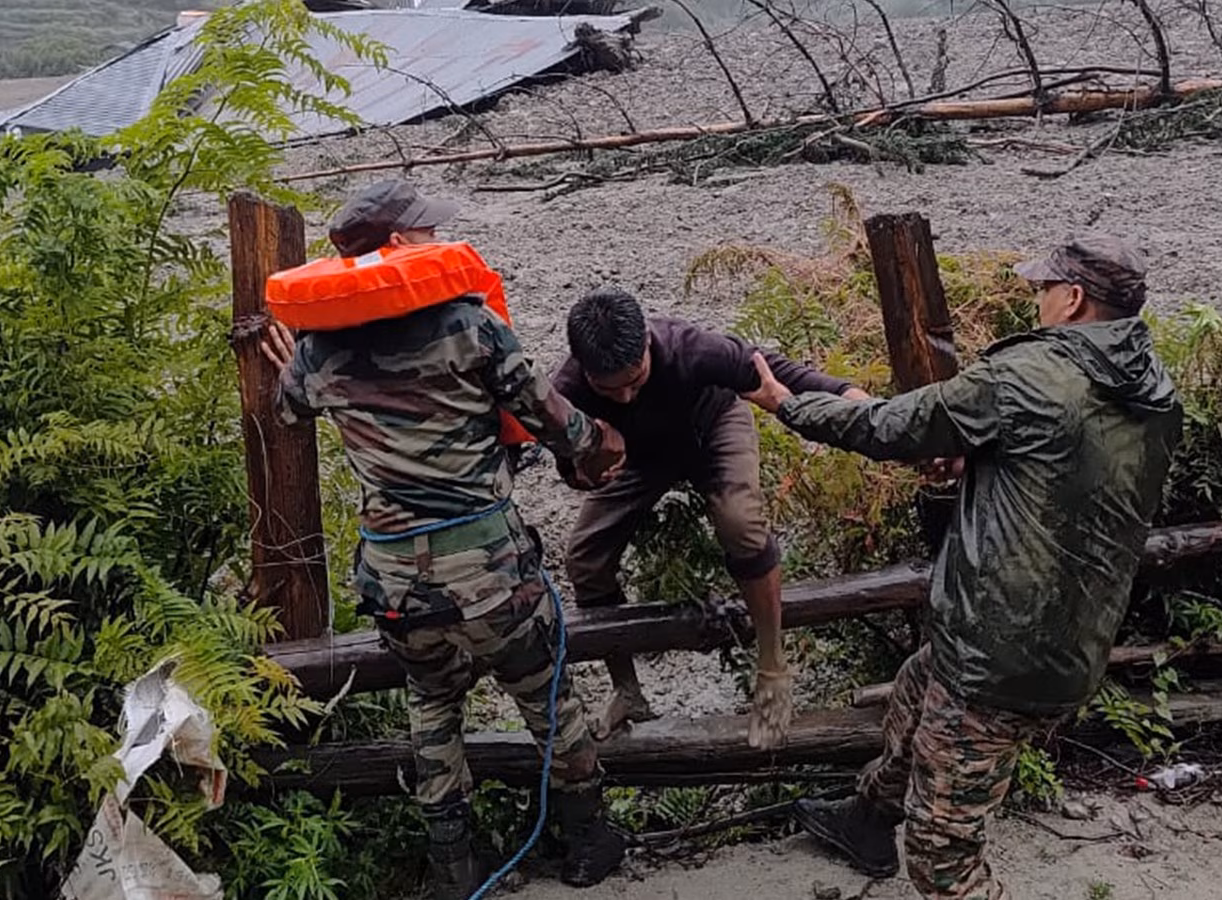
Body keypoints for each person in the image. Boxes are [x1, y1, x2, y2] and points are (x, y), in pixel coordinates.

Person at [742, 234, 1182, 899]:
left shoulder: (1029, 377)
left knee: (943, 861)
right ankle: (865, 820)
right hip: (1068, 640)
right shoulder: (1153, 389)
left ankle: (911, 843)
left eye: (1042, 290)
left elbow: (892, 426)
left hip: (998, 654)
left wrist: (787, 404)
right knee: (919, 693)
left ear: (1073, 299)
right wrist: (983, 455)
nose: (1035, 301)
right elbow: (1068, 472)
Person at [260, 180, 629, 899]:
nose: (438, 241)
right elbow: (554, 421)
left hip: (398, 587)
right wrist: (602, 441)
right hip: (492, 575)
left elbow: (288, 411)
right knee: (549, 702)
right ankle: (587, 843)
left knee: (431, 707)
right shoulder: (469, 325)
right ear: (399, 244)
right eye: (427, 232)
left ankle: (455, 867)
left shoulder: (319, 349)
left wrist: (296, 357)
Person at [552, 287, 872, 749]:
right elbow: (570, 471)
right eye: (609, 389)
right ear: (584, 368)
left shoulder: (691, 349)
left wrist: (853, 399)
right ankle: (627, 690)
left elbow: (777, 372)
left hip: (714, 428)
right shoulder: (566, 391)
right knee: (584, 557)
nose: (623, 397)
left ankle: (772, 669)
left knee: (739, 520)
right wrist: (591, 468)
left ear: (646, 342)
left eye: (635, 380)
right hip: (640, 459)